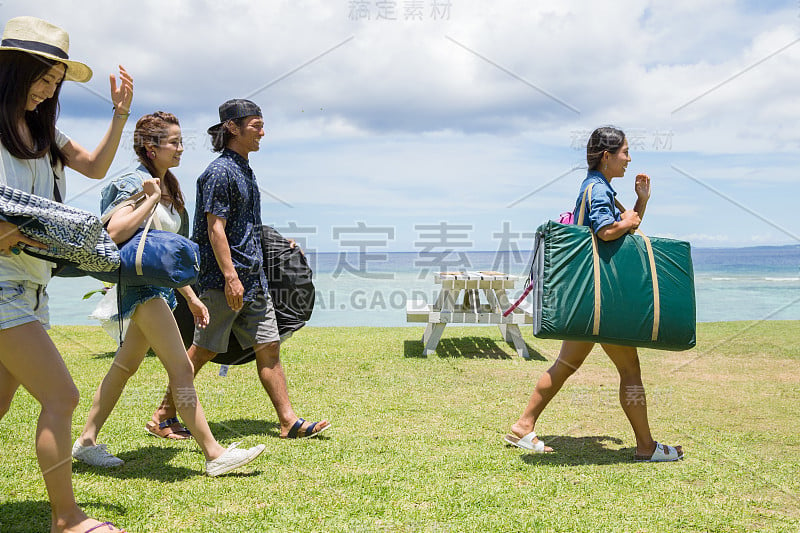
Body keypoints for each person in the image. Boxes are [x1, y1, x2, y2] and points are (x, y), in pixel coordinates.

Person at [72, 112, 266, 477]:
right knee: (181, 369)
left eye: (180, 141)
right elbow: (113, 233)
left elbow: (167, 254)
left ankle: (85, 442)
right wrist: (149, 200)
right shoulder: (135, 182)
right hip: (141, 289)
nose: (180, 148)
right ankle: (214, 453)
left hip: (159, 288)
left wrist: (191, 297)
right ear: (151, 146)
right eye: (173, 142)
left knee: (124, 366)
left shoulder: (169, 185)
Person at [0, 16, 132, 533]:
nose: (49, 90)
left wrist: (119, 114)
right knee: (62, 396)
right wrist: (32, 231)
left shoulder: (44, 133)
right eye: (43, 77)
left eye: (56, 82)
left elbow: (96, 167)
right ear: (14, 69)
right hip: (3, 286)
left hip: (32, 285)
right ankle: (67, 518)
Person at [149, 99, 330, 440]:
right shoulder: (218, 172)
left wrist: (278, 246)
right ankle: (163, 415)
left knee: (269, 347)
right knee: (202, 351)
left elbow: (245, 228)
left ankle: (288, 421)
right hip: (223, 282)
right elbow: (215, 228)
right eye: (256, 124)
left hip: (254, 281)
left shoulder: (245, 169)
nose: (263, 131)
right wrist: (231, 278)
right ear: (232, 127)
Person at [504, 126, 684, 462]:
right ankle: (646, 446)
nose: (629, 159)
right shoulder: (597, 191)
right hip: (604, 302)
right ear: (607, 156)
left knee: (564, 365)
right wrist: (629, 220)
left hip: (591, 299)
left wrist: (640, 203)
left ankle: (523, 424)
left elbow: (621, 232)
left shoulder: (596, 187)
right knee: (630, 371)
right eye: (625, 152)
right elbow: (606, 232)